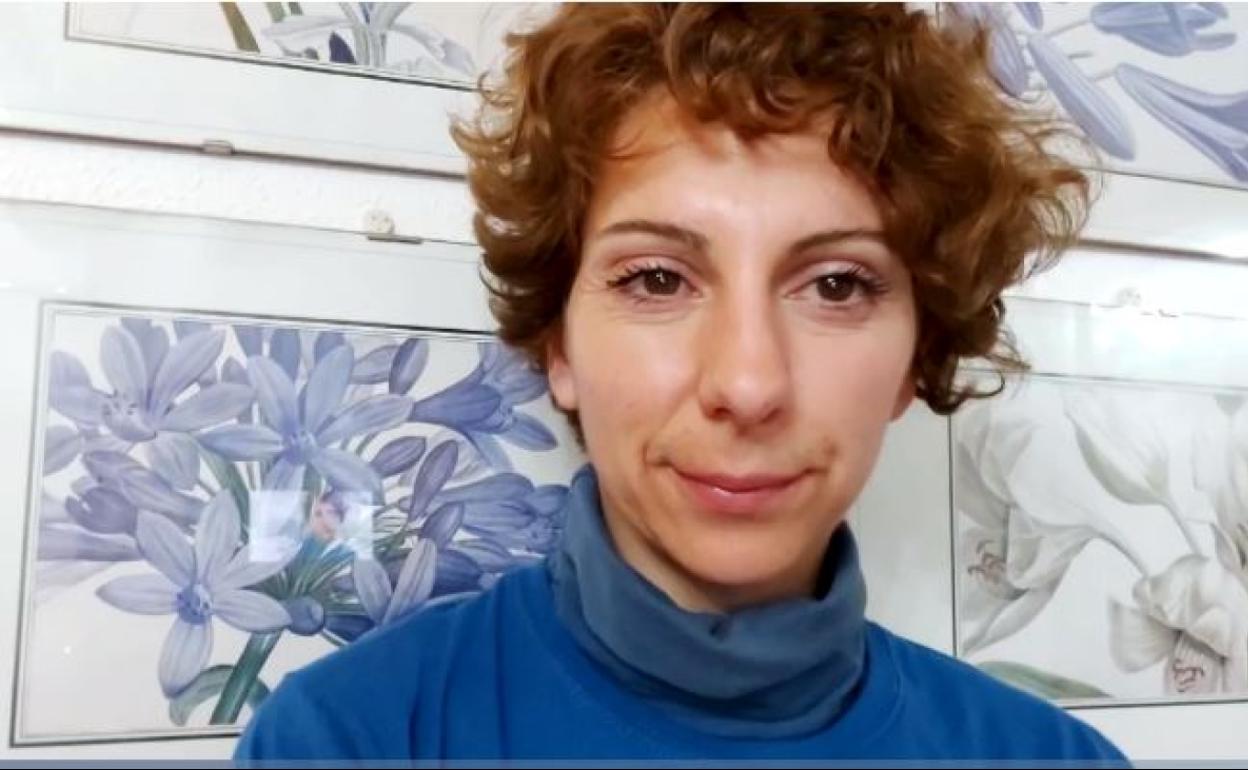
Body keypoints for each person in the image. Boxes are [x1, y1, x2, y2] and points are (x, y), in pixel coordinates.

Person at [236, 4, 1127, 763]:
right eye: (658, 279)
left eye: (836, 286)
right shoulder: (349, 741)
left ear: (915, 361)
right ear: (559, 346)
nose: (747, 382)